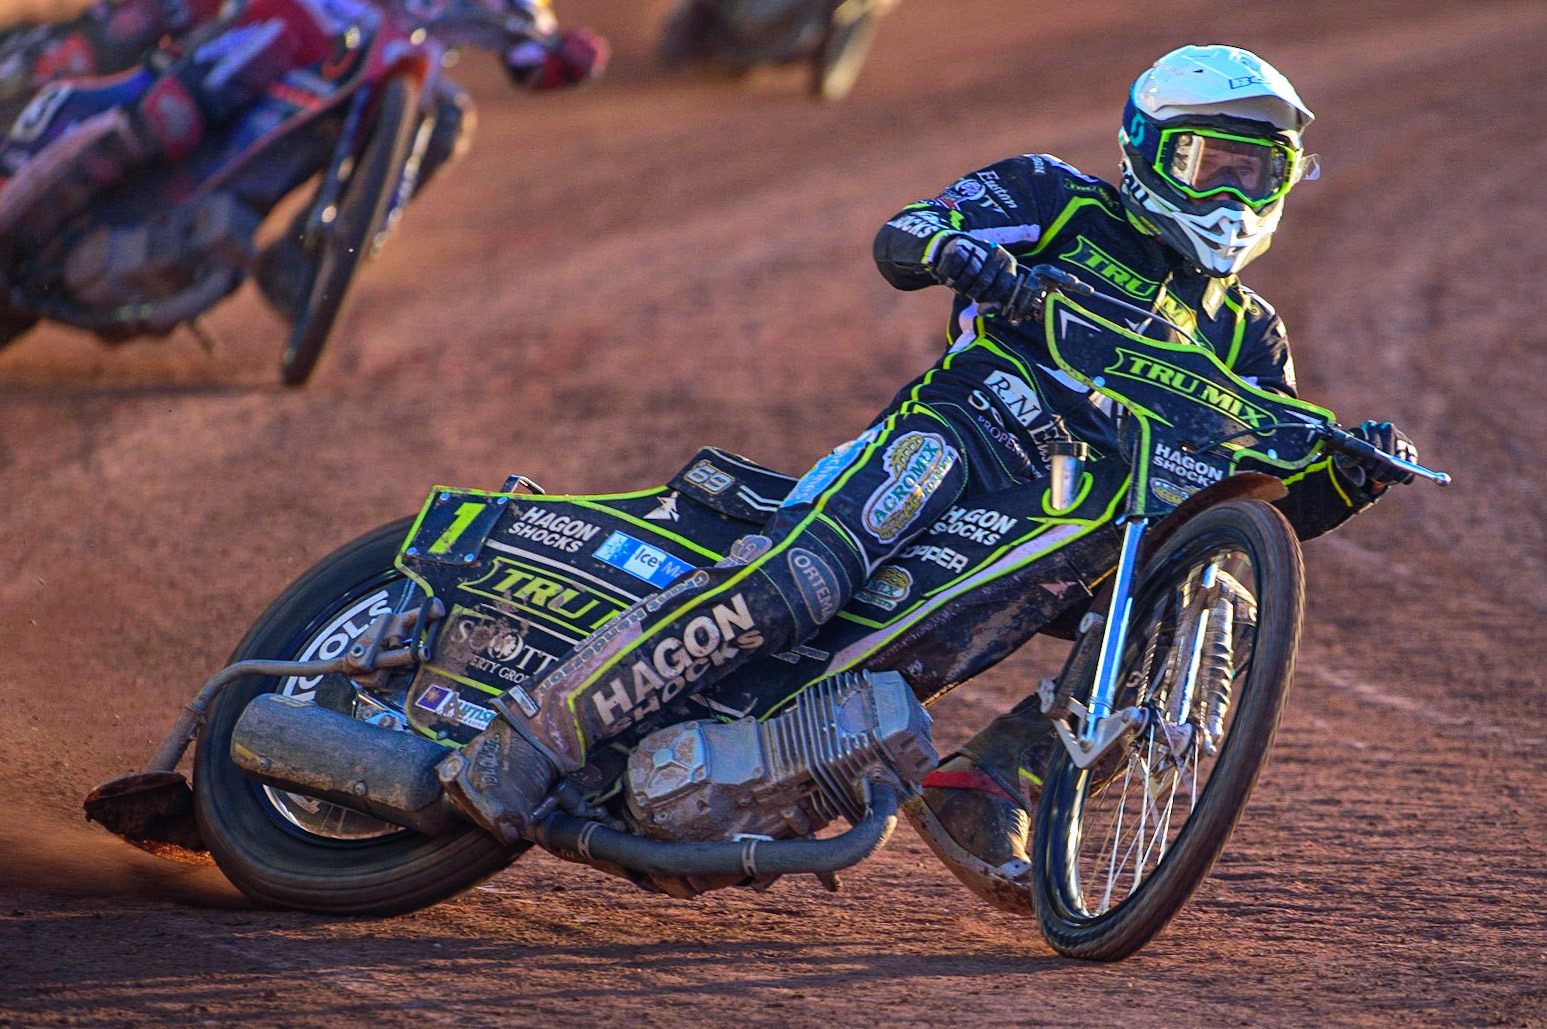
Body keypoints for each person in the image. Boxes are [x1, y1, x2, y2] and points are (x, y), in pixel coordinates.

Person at [436, 44, 1420, 902]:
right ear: (1146, 154)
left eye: (1256, 173)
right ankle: (533, 738)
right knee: (801, 580)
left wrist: (1350, 478)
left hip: (1080, 528)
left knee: (1202, 618)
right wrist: (960, 253)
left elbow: (1267, 491)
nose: (1231, 198)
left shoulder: (1251, 335)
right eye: (1208, 166)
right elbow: (906, 233)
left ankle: (992, 785)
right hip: (963, 433)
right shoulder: (1055, 197)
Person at [0, 0, 606, 287]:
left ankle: (309, 266)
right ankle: (31, 126)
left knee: (446, 114)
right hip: (293, 22)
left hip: (379, 72)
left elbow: (532, 55)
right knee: (170, 111)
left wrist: (561, 54)